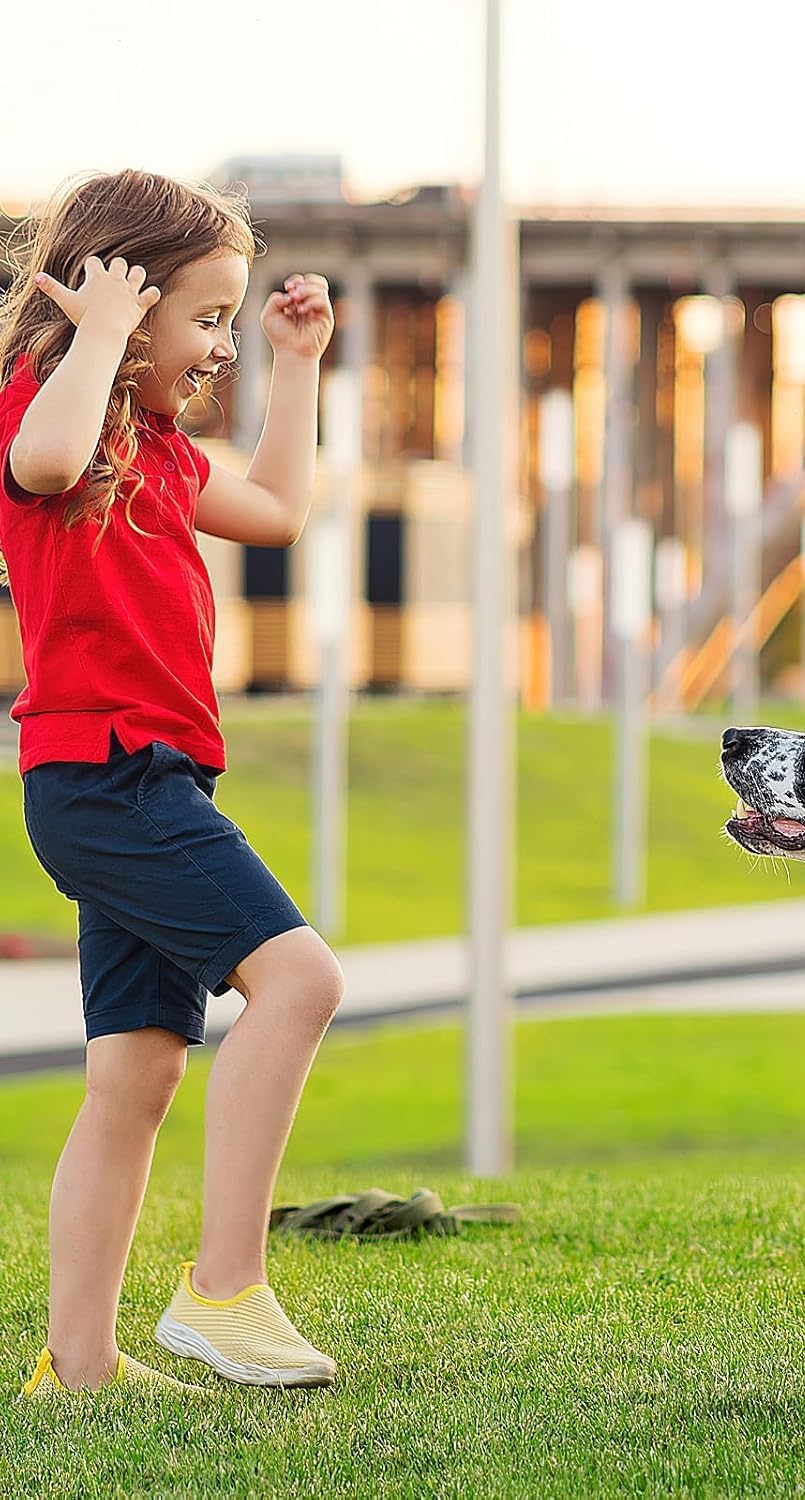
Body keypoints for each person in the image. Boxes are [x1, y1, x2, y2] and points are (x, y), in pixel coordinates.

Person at [1, 169, 345, 1396]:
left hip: (156, 781)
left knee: (136, 1073)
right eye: (206, 319)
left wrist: (296, 366)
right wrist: (97, 332)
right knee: (300, 980)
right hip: (105, 777)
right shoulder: (47, 414)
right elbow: (45, 463)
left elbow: (277, 511)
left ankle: (79, 1365)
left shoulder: (158, 451)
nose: (221, 345)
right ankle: (223, 1289)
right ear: (124, 304)